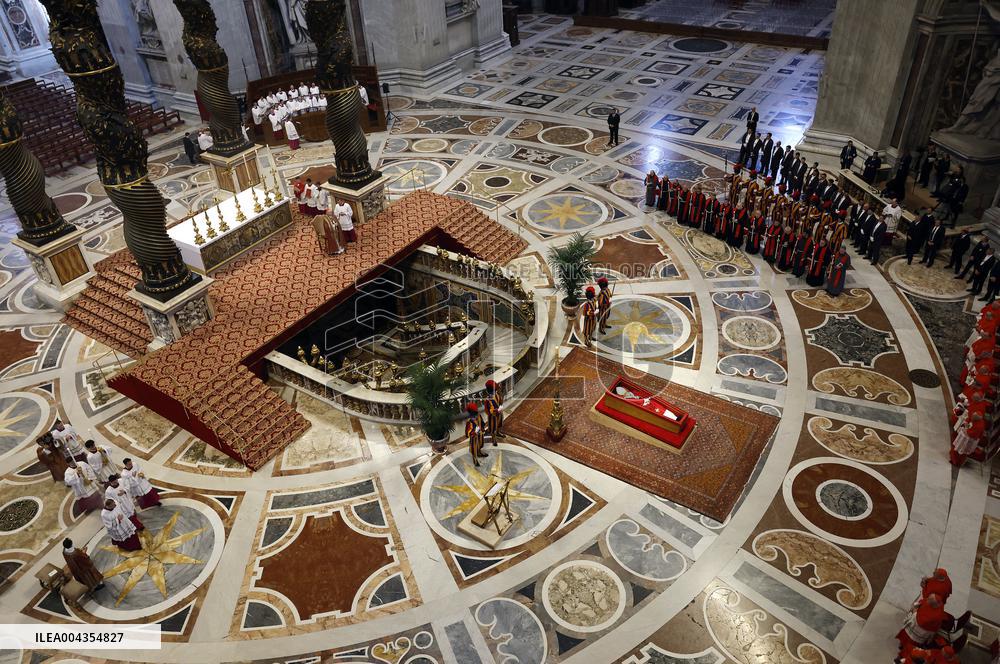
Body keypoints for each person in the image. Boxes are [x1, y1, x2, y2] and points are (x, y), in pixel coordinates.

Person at [483, 379, 505, 444]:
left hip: (499, 414)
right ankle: (493, 438)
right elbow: (488, 410)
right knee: (493, 428)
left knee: (499, 424)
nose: (495, 392)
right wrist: (497, 410)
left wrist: (501, 405)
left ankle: (498, 433)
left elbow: (500, 401)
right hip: (493, 417)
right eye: (493, 391)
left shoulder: (497, 395)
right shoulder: (488, 400)